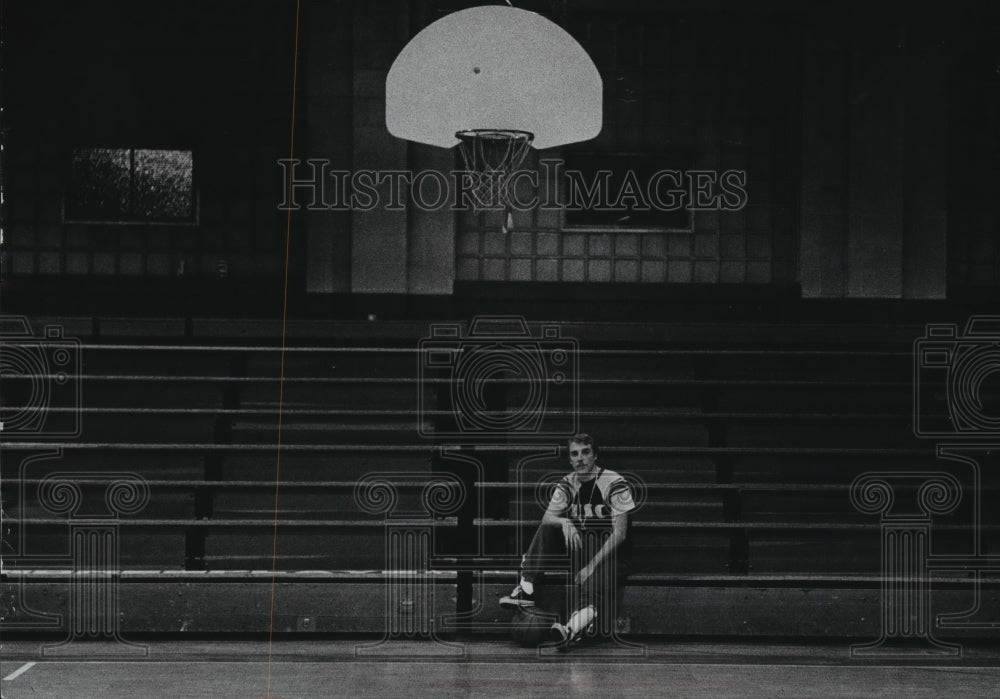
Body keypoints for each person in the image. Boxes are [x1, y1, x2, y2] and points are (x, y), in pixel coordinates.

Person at [500, 432, 636, 649]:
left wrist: (591, 566)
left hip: (613, 555)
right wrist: (565, 523)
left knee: (591, 585)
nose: (580, 458)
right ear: (570, 459)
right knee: (548, 527)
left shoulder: (615, 482)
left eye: (585, 452)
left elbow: (620, 534)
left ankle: (570, 629)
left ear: (595, 455)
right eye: (575, 454)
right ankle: (527, 587)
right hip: (582, 549)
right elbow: (547, 517)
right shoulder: (567, 483)